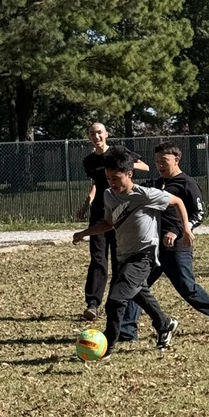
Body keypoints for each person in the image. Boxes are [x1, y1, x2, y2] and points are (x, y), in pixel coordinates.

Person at [72, 146, 193, 357]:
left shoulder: (145, 195)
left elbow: (178, 202)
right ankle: (165, 324)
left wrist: (186, 229)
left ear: (129, 174)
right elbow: (109, 223)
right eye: (109, 178)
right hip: (124, 255)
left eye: (116, 178)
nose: (112, 182)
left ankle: (107, 345)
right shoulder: (109, 195)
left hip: (144, 256)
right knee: (138, 292)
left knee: (116, 300)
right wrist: (85, 232)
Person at [119, 142, 209, 340]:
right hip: (152, 248)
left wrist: (178, 231)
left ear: (176, 160)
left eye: (164, 161)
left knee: (188, 288)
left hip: (177, 248)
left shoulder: (186, 183)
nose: (160, 165)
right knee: (137, 286)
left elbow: (199, 214)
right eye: (157, 162)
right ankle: (127, 332)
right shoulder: (155, 184)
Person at [77, 122, 148, 321]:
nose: (96, 136)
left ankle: (118, 301)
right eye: (92, 133)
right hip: (99, 213)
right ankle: (93, 304)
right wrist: (86, 205)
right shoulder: (89, 161)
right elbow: (95, 185)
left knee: (120, 260)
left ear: (106, 134)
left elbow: (145, 166)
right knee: (98, 259)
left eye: (99, 132)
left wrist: (123, 164)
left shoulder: (118, 151)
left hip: (121, 211)